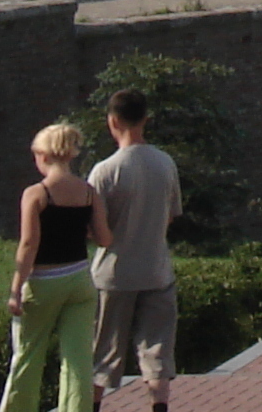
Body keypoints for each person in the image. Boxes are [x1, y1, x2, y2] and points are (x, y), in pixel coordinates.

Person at [0, 124, 111, 412]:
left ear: (44, 155)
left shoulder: (37, 194)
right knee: (77, 361)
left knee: (28, 357)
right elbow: (104, 238)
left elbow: (28, 244)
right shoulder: (88, 192)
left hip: (43, 282)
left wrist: (15, 289)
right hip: (80, 281)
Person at [89, 87, 183, 411]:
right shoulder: (166, 163)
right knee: (157, 357)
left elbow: (98, 232)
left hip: (113, 276)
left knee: (101, 358)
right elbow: (171, 216)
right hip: (157, 271)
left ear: (112, 121)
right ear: (146, 119)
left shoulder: (104, 171)